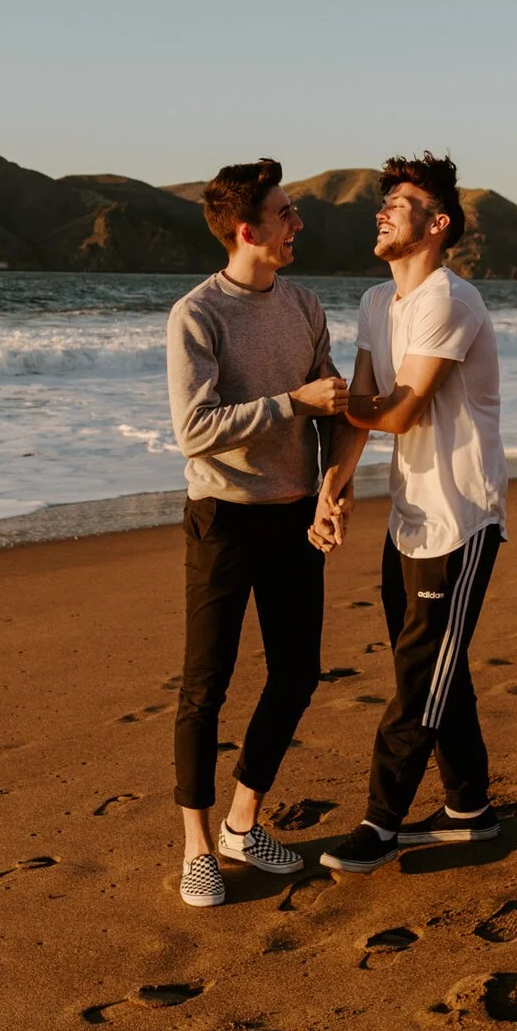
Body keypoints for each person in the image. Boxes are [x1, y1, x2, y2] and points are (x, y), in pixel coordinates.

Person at [309, 153, 508, 875]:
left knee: (420, 673)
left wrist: (323, 397)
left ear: (437, 224)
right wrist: (331, 487)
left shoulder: (449, 300)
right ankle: (468, 808)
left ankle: (380, 821)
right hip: (410, 517)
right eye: (384, 199)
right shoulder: (375, 303)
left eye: (401, 200)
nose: (383, 209)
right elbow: (363, 414)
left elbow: (398, 409)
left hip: (461, 517)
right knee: (429, 664)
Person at [165, 158, 348, 909]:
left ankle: (244, 819)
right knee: (206, 685)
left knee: (299, 672)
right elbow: (193, 430)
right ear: (248, 230)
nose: (296, 223)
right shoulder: (196, 315)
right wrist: (291, 403)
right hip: (224, 520)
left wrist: (335, 489)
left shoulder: (304, 304)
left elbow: (332, 402)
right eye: (286, 213)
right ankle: (197, 847)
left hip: (296, 511)